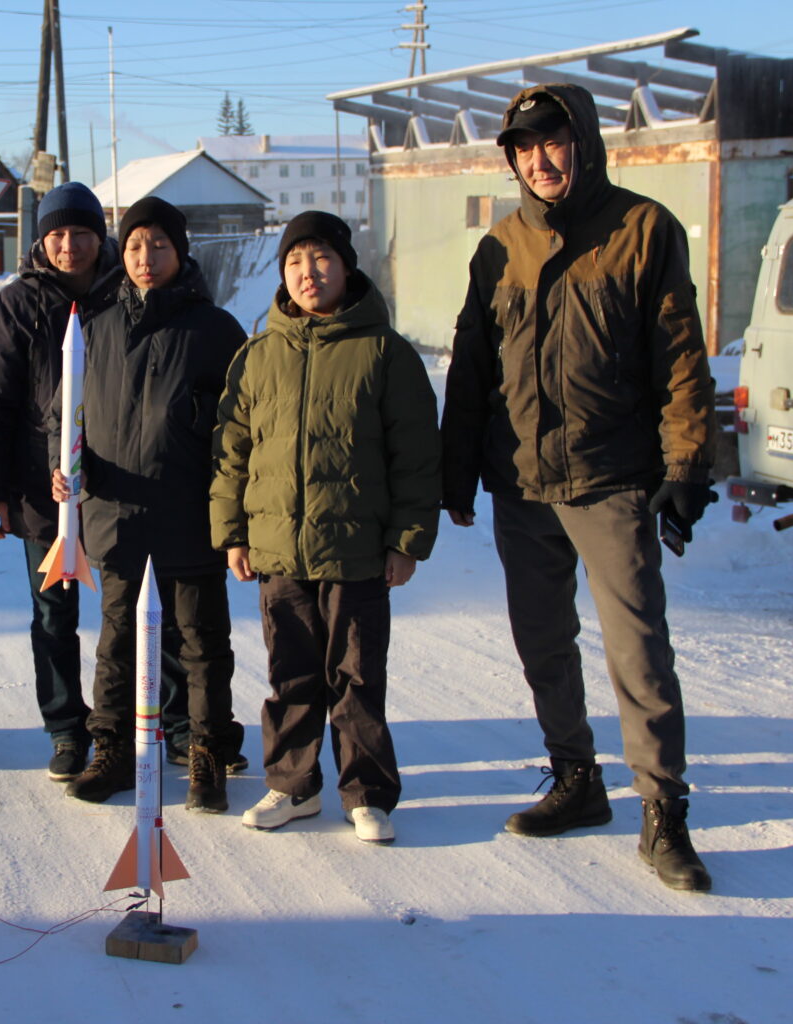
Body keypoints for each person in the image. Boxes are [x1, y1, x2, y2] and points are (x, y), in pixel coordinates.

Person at [440, 85, 717, 891]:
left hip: (610, 479)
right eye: (524, 149)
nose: (539, 159)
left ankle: (664, 812)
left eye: (551, 142)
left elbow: (680, 356)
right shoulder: (498, 247)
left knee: (638, 651)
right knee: (543, 646)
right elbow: (472, 369)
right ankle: (576, 779)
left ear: (584, 142)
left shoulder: (640, 230)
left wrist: (688, 464)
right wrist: (457, 470)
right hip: (522, 483)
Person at [212, 211, 440, 843]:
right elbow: (233, 450)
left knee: (358, 674)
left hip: (358, 551)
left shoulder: (386, 354)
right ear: (282, 274)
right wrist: (234, 533)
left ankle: (367, 792)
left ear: (346, 267)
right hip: (279, 550)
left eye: (321, 261)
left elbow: (417, 456)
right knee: (291, 672)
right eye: (294, 262)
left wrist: (406, 542)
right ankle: (293, 786)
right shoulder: (259, 355)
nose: (308, 274)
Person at [0, 182, 207, 781]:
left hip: (119, 488)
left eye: (80, 232)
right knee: (54, 613)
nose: (69, 245)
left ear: (100, 236)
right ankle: (67, 728)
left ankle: (170, 723)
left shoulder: (122, 292)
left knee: (144, 608)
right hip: (41, 490)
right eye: (56, 234)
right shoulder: (16, 305)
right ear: (41, 239)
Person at [50, 197, 245, 811]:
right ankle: (112, 748)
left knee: (202, 643)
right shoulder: (97, 328)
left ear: (180, 252)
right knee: (117, 641)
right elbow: (66, 417)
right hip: (120, 518)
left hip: (190, 518)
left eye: (158, 245)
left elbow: (243, 429)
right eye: (134, 246)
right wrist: (64, 469)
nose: (145, 257)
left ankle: (207, 754)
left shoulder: (216, 331)